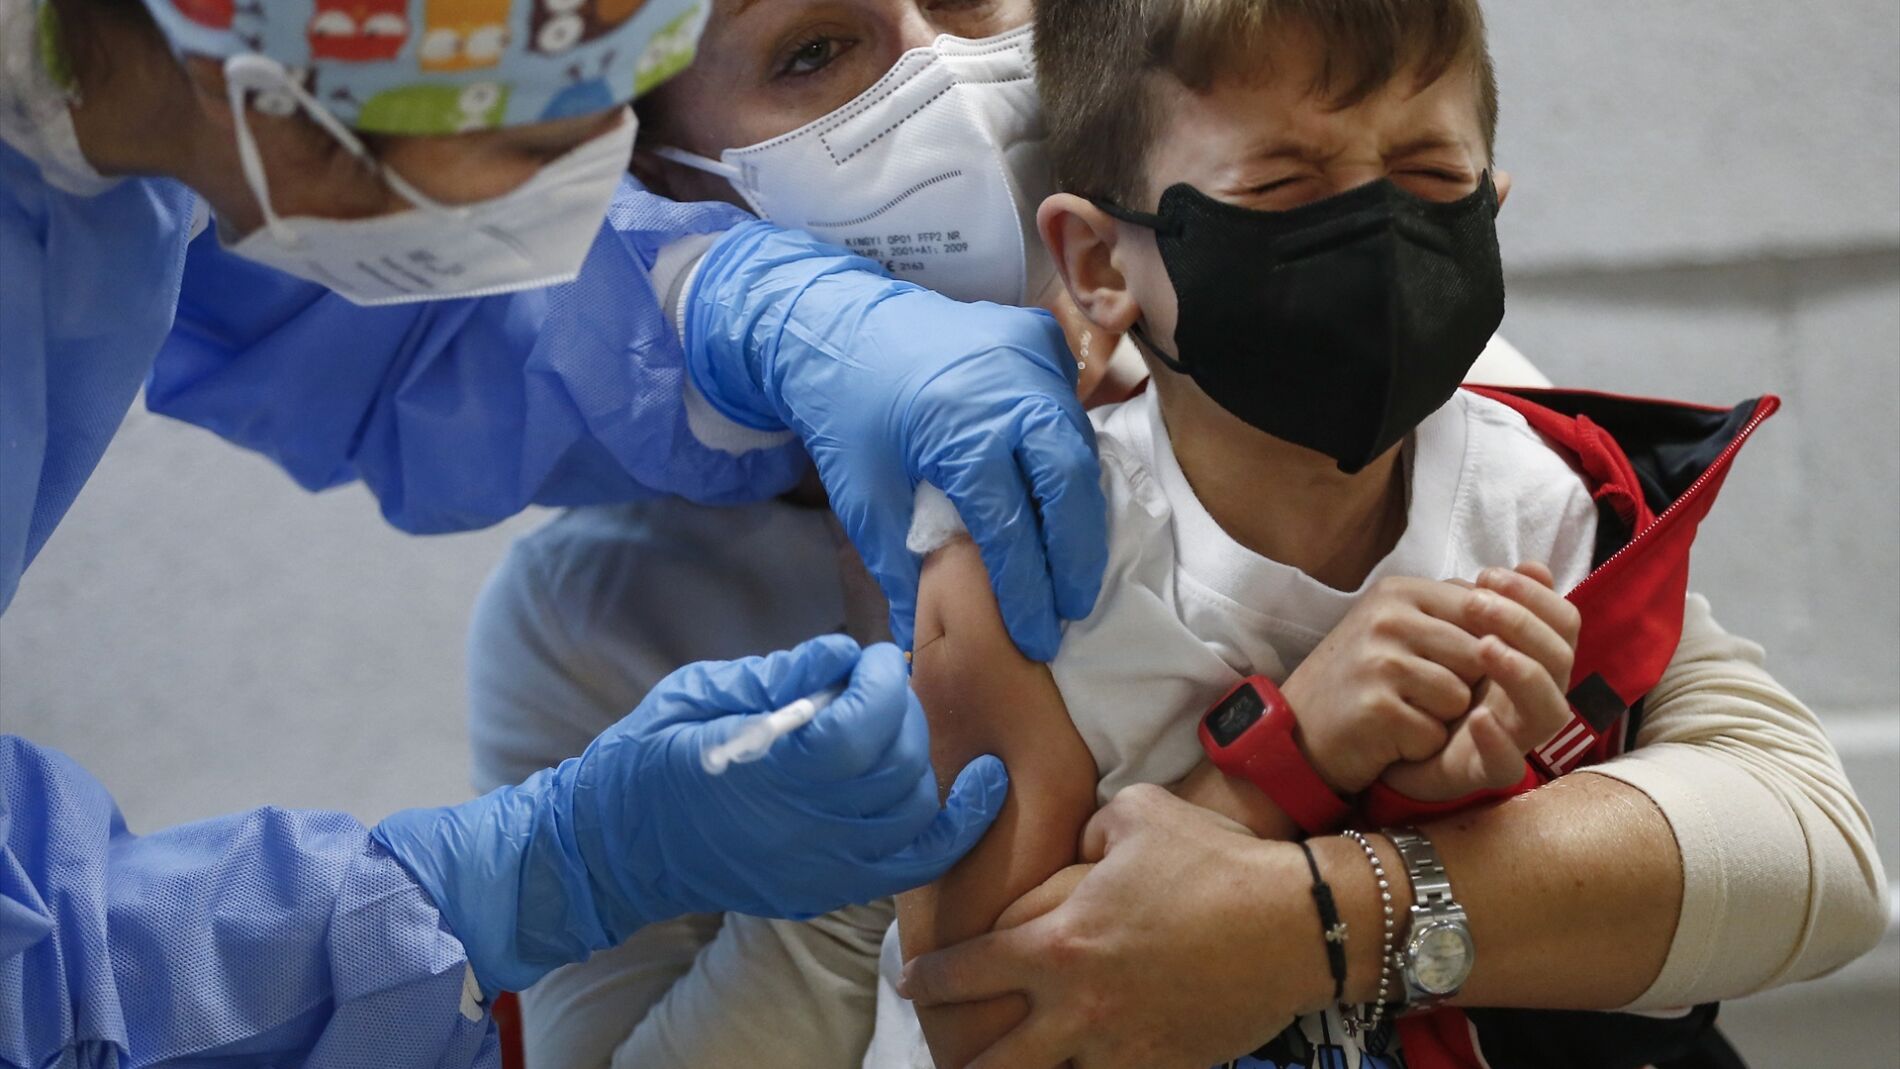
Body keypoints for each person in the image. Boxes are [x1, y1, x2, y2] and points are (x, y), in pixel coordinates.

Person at [0, 0, 1115, 1063]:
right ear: (273, 91)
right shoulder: (589, 621)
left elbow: (454, 327)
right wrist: (542, 875)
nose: (602, 172)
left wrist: (726, 299)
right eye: (551, 120)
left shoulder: (160, 146)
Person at [894, 3, 1889, 1067]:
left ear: (1488, 206)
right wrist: (1294, 755)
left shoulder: (1551, 499)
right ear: (1099, 261)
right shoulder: (1027, 561)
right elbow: (990, 1016)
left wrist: (1453, 799)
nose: (1376, 230)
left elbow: (1803, 872)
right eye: (1281, 186)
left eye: (1428, 176)